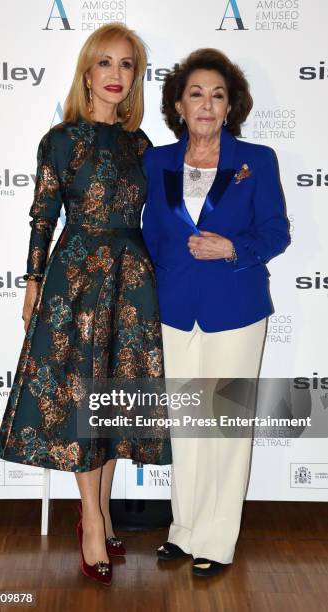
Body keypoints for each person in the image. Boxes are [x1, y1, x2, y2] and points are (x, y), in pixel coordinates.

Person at [0, 23, 171, 586]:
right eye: (106, 64)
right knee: (81, 393)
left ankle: (104, 509)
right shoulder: (61, 140)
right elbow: (43, 216)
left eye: (127, 66)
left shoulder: (141, 145)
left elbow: (163, 216)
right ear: (87, 73)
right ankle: (91, 519)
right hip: (76, 276)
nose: (116, 76)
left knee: (113, 396)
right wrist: (31, 283)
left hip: (132, 276)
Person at [142, 48, 290, 577]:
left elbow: (276, 233)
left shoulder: (258, 160)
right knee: (186, 424)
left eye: (218, 94)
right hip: (175, 308)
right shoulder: (155, 161)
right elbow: (150, 233)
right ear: (179, 105)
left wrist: (230, 248)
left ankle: (217, 541)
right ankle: (183, 531)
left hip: (237, 307)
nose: (207, 104)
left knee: (224, 425)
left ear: (231, 107)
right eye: (196, 93)